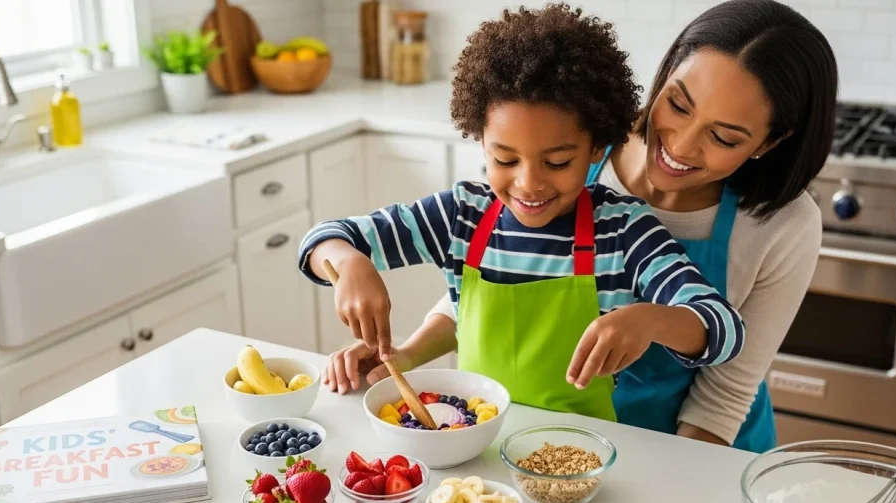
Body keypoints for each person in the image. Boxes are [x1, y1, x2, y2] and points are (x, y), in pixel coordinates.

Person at [330, 0, 835, 453]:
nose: (680, 145)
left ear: (769, 143)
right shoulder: (565, 141)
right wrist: (407, 350)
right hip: (537, 442)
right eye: (678, 105)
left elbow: (725, 388)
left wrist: (676, 483)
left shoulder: (778, 224)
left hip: (695, 448)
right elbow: (489, 275)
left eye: (723, 137)